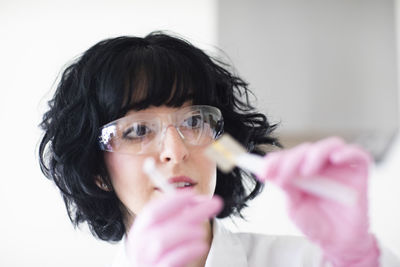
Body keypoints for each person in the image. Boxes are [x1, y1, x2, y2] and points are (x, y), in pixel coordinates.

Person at [39, 32, 399, 267]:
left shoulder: (308, 261)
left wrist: (359, 257)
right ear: (97, 172)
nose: (175, 151)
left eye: (194, 122)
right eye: (137, 130)